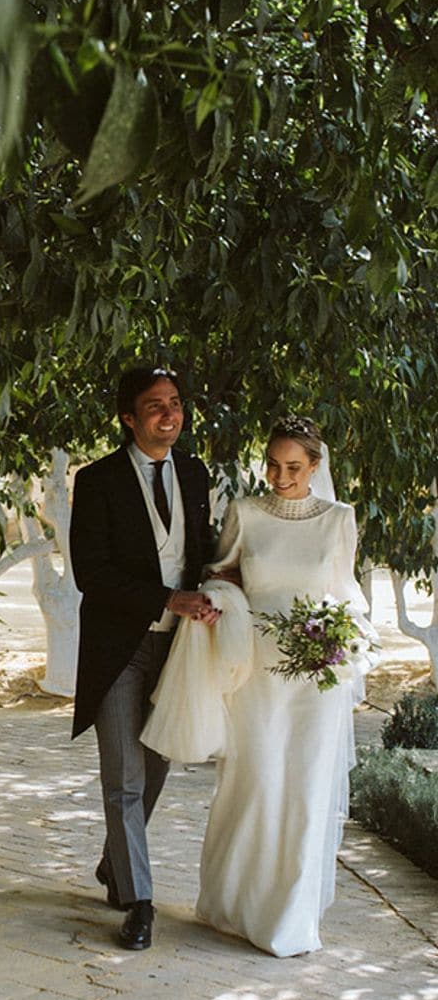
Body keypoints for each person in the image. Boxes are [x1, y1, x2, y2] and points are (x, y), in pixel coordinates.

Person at [193, 415, 377, 957]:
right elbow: (219, 573)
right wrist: (217, 601)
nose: (280, 476)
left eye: (293, 467)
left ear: (316, 467)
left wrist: (341, 639)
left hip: (316, 678)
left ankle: (289, 919)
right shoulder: (246, 513)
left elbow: (345, 592)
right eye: (272, 464)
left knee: (304, 789)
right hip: (257, 671)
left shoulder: (340, 519)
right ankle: (233, 905)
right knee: (254, 783)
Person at [69, 366, 218, 950]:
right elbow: (92, 573)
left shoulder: (196, 472)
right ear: (128, 418)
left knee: (157, 768)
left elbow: (202, 554)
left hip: (178, 651)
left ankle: (116, 861)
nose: (169, 414)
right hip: (118, 649)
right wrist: (165, 599)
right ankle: (138, 903)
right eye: (154, 405)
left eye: (176, 403)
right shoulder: (99, 479)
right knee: (125, 778)